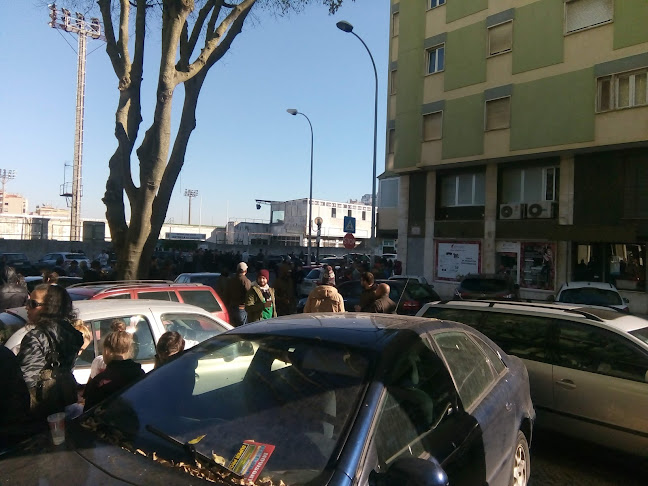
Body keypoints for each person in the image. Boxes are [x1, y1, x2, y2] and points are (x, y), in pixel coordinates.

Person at [17, 284, 83, 420]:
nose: (27, 307)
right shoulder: (72, 333)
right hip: (65, 403)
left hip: (41, 412)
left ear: (50, 308)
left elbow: (24, 382)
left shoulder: (35, 337)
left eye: (33, 303)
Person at [83, 325, 145, 410]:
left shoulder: (100, 381)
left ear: (107, 351)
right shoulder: (140, 374)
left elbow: (88, 413)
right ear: (129, 350)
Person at [225, 262, 252, 326]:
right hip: (242, 309)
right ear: (245, 270)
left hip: (231, 308)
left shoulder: (231, 280)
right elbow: (250, 294)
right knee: (243, 330)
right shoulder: (245, 281)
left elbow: (226, 294)